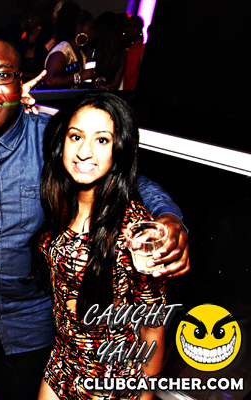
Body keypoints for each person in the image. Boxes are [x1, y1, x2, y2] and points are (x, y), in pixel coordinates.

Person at [0, 36, 189, 400]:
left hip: (33, 330)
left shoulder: (52, 138)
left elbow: (130, 179)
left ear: (21, 81)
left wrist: (170, 219)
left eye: (3, 75)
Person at [36, 92, 165, 399]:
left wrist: (147, 393)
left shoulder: (136, 231)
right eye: (76, 136)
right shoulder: (59, 203)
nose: (84, 152)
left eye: (102, 140)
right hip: (62, 365)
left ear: (119, 150)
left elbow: (152, 326)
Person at [42, 1, 96, 89]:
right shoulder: (63, 50)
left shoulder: (81, 52)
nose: (94, 31)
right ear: (80, 28)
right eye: (91, 27)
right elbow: (49, 80)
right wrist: (80, 77)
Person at [122, 15, 146, 91]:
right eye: (128, 25)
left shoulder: (143, 49)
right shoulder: (120, 46)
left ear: (140, 28)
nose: (130, 28)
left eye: (134, 26)